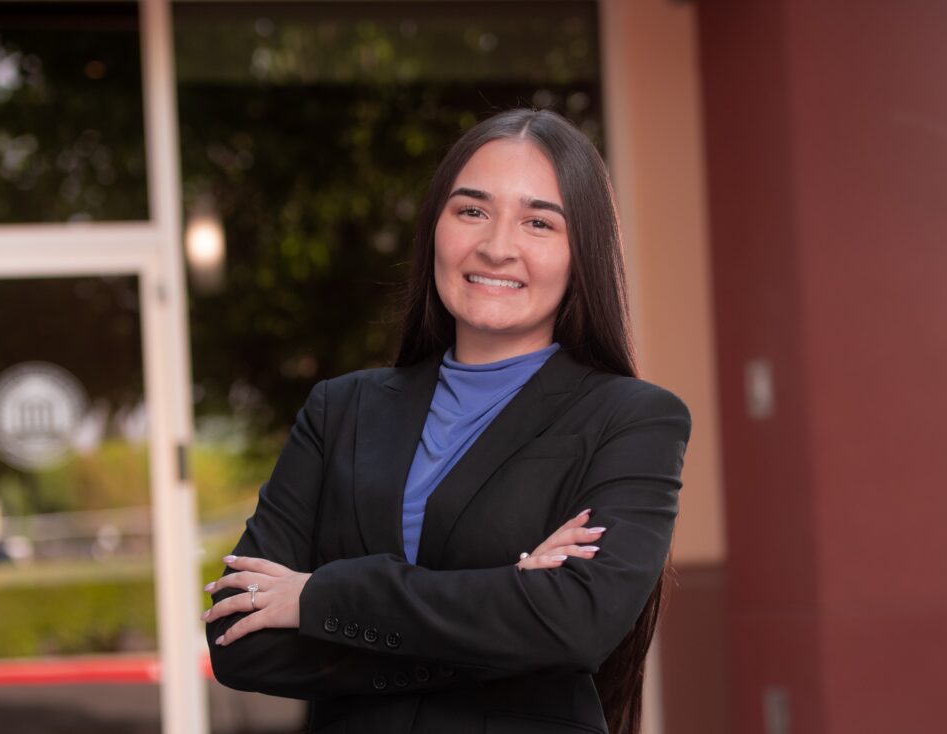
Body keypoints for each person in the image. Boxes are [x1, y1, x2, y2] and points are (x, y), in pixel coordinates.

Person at [202, 108, 691, 734]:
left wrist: (317, 599)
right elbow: (238, 638)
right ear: (435, 227)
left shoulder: (634, 420)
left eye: (539, 222)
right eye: (472, 211)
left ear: (582, 253)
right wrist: (504, 603)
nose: (497, 246)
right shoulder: (339, 411)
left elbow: (576, 625)